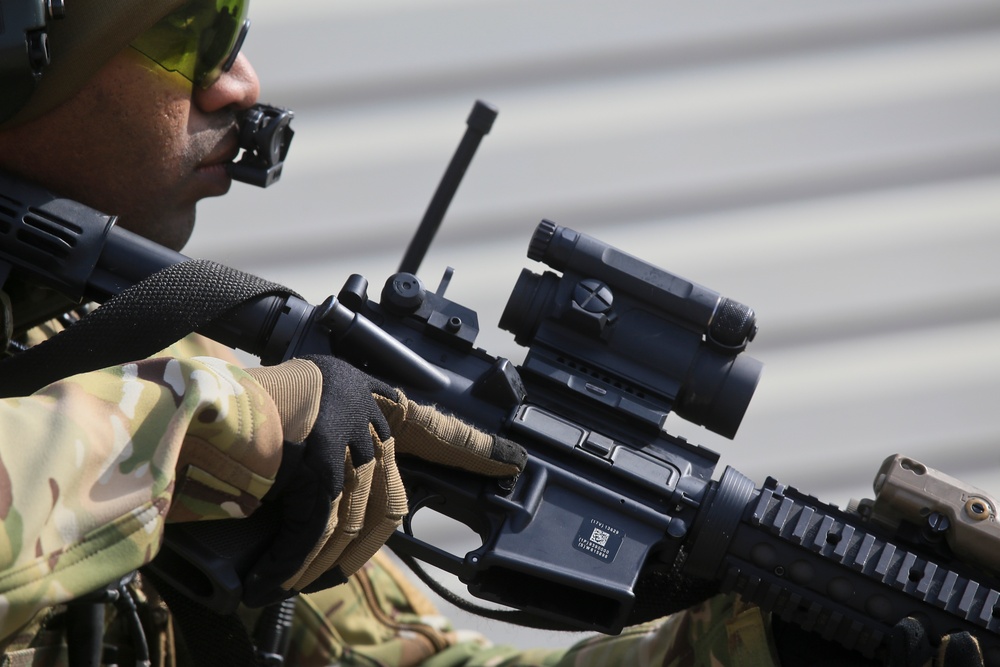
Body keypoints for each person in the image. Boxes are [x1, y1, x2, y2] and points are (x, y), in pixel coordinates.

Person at [0, 2, 986, 666]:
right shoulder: (186, 403)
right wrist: (204, 425)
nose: (240, 83)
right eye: (193, 35)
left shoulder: (134, 361)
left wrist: (767, 632)